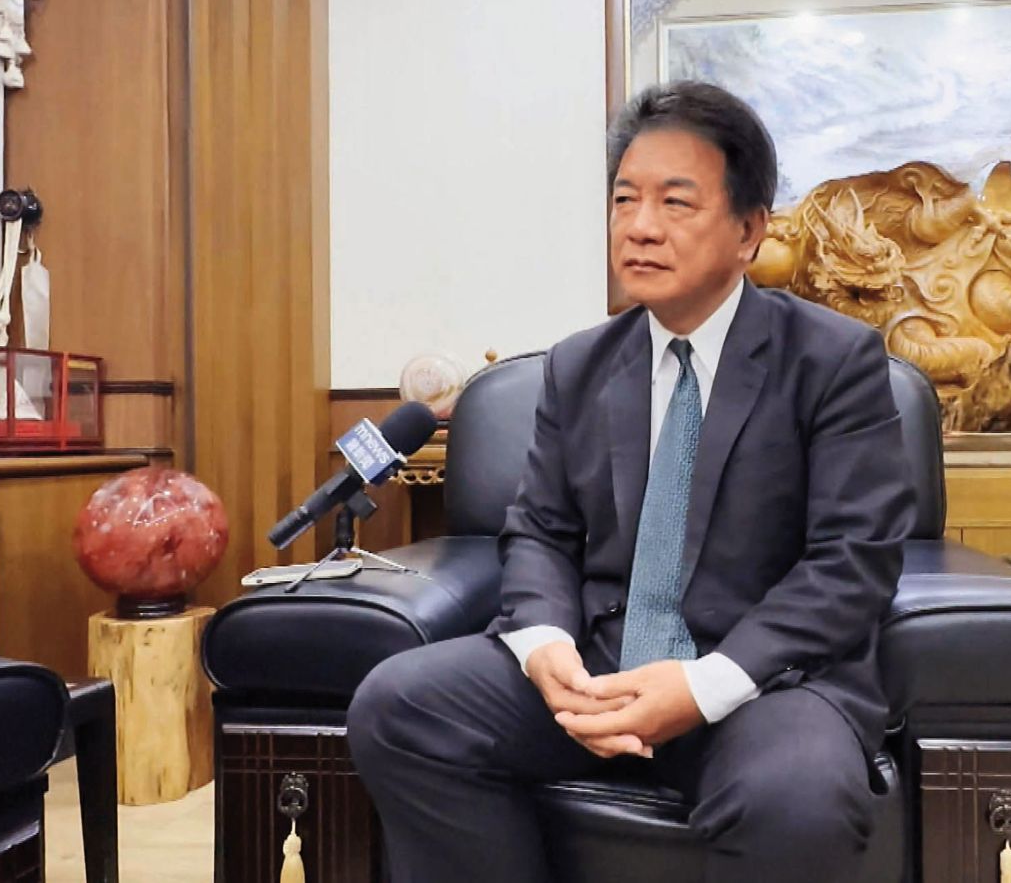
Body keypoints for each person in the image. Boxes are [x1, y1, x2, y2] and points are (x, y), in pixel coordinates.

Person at [347, 81, 913, 883]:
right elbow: (540, 530)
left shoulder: (833, 361)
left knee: (797, 795)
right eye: (624, 200)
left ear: (749, 230)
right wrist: (545, 647)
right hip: (598, 666)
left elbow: (851, 561)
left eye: (676, 202)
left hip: (765, 681)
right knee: (400, 707)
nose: (640, 227)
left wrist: (703, 685)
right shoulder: (580, 365)